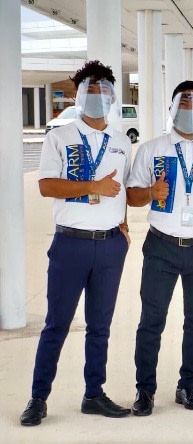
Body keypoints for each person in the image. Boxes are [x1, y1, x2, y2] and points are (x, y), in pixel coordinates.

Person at [20, 60, 132, 426]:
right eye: (91, 90)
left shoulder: (120, 141)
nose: (98, 97)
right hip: (71, 245)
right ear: (78, 95)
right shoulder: (61, 136)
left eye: (104, 91)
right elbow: (46, 186)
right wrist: (91, 187)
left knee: (101, 325)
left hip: (110, 245)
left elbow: (124, 190)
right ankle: (38, 398)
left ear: (113, 97)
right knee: (57, 324)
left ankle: (93, 394)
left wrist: (125, 224)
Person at [126, 80, 193, 416]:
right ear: (172, 108)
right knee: (151, 321)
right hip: (160, 247)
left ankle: (188, 386)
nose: (190, 110)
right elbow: (132, 196)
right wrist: (151, 194)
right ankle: (145, 390)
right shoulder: (151, 149)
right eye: (183, 104)